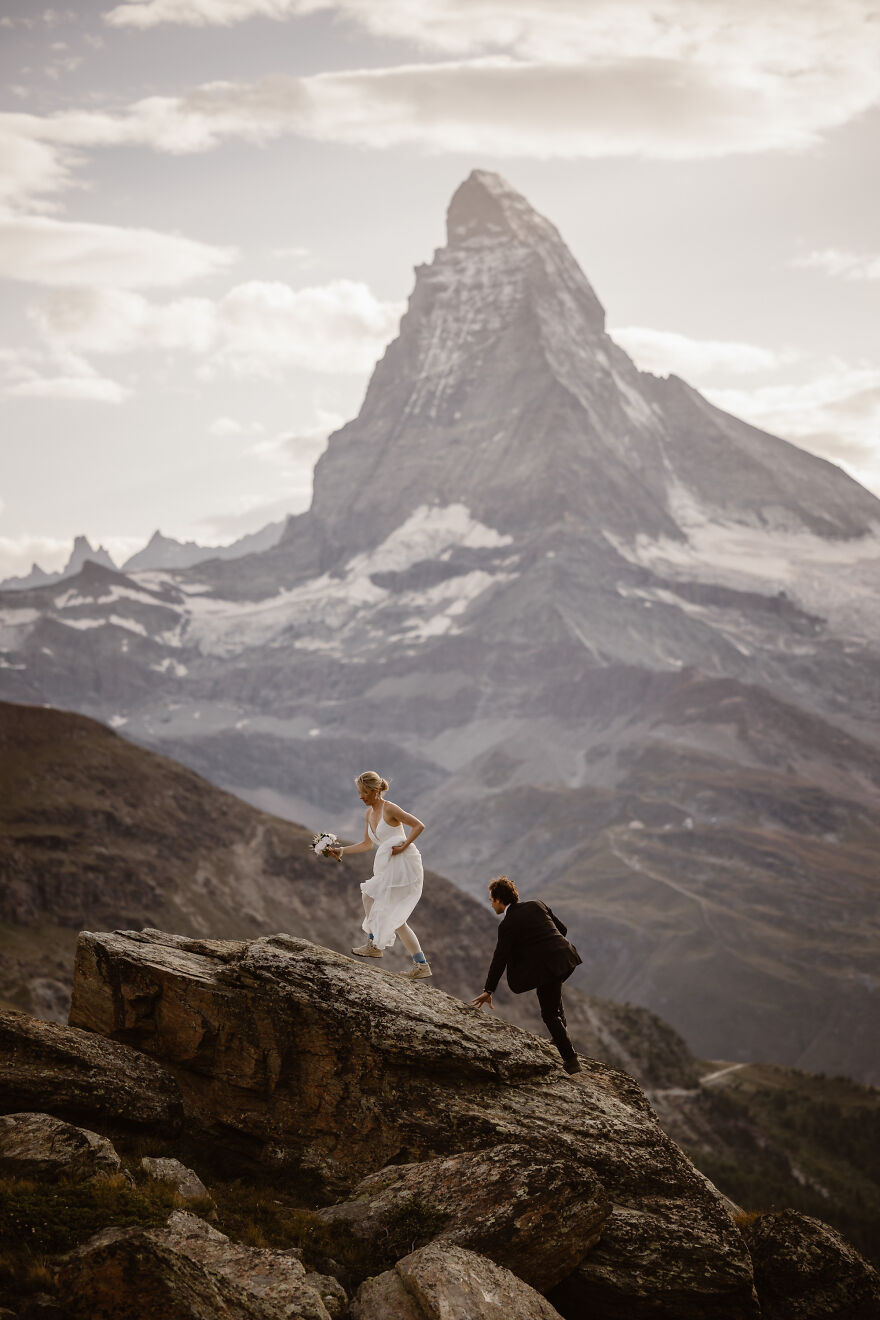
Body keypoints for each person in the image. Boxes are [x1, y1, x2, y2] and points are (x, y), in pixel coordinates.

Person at [471, 875, 582, 1074]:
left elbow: (500, 959)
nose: (491, 904)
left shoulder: (507, 925)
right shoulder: (537, 905)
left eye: (491, 900)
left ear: (498, 899)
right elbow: (562, 930)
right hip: (566, 957)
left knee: (549, 1013)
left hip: (549, 966)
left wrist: (489, 990)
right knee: (551, 996)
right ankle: (560, 1039)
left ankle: (571, 1060)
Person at [328, 771, 431, 980]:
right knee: (373, 899)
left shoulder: (390, 808)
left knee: (388, 908)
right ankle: (418, 963)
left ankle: (380, 947)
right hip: (390, 864)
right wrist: (341, 851)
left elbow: (418, 825)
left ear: (375, 791)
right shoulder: (368, 814)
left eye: (364, 792)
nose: (360, 797)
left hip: (405, 863)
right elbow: (367, 844)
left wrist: (404, 846)